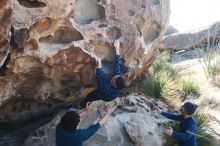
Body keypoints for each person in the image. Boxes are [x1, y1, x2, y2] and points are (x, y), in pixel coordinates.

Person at [81, 40, 126, 108]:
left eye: (113, 80)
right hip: (110, 92)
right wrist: (117, 48)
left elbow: (99, 78)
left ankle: (82, 106)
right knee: (119, 68)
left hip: (103, 96)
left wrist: (99, 62)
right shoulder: (117, 76)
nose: (113, 77)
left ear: (114, 84)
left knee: (90, 97)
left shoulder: (106, 89)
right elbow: (117, 63)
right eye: (116, 76)